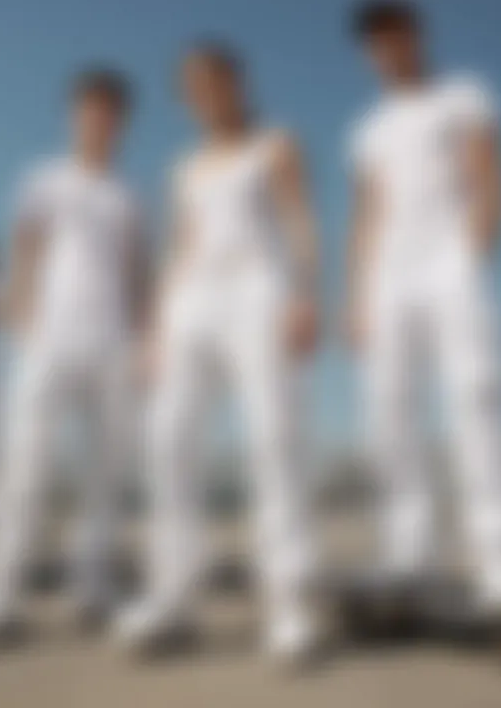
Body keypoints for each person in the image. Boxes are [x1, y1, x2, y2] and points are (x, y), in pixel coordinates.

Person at [116, 41, 323, 668]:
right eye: (193, 86)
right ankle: (173, 596)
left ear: (237, 81)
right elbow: (177, 250)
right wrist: (153, 331)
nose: (205, 93)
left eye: (215, 79)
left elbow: (299, 220)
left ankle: (289, 605)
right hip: (190, 305)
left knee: (271, 438)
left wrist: (306, 295)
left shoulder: (275, 143)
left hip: (256, 293)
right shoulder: (183, 167)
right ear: (187, 98)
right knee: (169, 440)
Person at [345, 0, 501, 644]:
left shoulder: (463, 94)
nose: (386, 49)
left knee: (476, 395)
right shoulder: (368, 128)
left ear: (416, 35)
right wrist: (358, 293)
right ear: (369, 52)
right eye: (375, 41)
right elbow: (369, 210)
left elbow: (488, 172)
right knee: (388, 409)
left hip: (450, 257)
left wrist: (474, 250)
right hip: (388, 273)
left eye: (395, 34)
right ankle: (410, 554)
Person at [0, 67, 148, 643]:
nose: (99, 118)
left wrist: (143, 337)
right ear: (73, 114)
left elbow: (139, 273)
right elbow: (25, 248)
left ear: (122, 121)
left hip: (113, 341)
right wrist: (22, 314)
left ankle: (93, 588)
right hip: (50, 337)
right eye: (89, 107)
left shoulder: (129, 196)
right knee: (25, 467)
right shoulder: (43, 178)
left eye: (110, 110)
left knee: (107, 473)